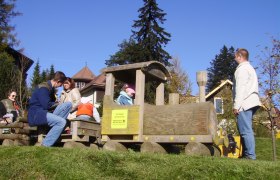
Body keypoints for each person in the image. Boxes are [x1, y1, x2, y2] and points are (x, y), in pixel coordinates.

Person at [28, 71, 72, 147]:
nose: (60, 86)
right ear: (58, 81)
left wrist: (57, 104)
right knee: (61, 122)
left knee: (68, 104)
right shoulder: (43, 88)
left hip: (45, 113)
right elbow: (46, 105)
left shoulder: (50, 89)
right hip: (37, 114)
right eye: (61, 84)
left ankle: (53, 130)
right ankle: (45, 145)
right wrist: (57, 104)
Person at [233, 48, 261, 160]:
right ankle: (247, 154)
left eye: (235, 56)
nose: (234, 58)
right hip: (252, 101)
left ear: (240, 56)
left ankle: (250, 155)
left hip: (244, 102)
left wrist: (236, 105)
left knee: (245, 130)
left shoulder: (242, 69)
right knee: (246, 128)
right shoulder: (250, 68)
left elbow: (240, 88)